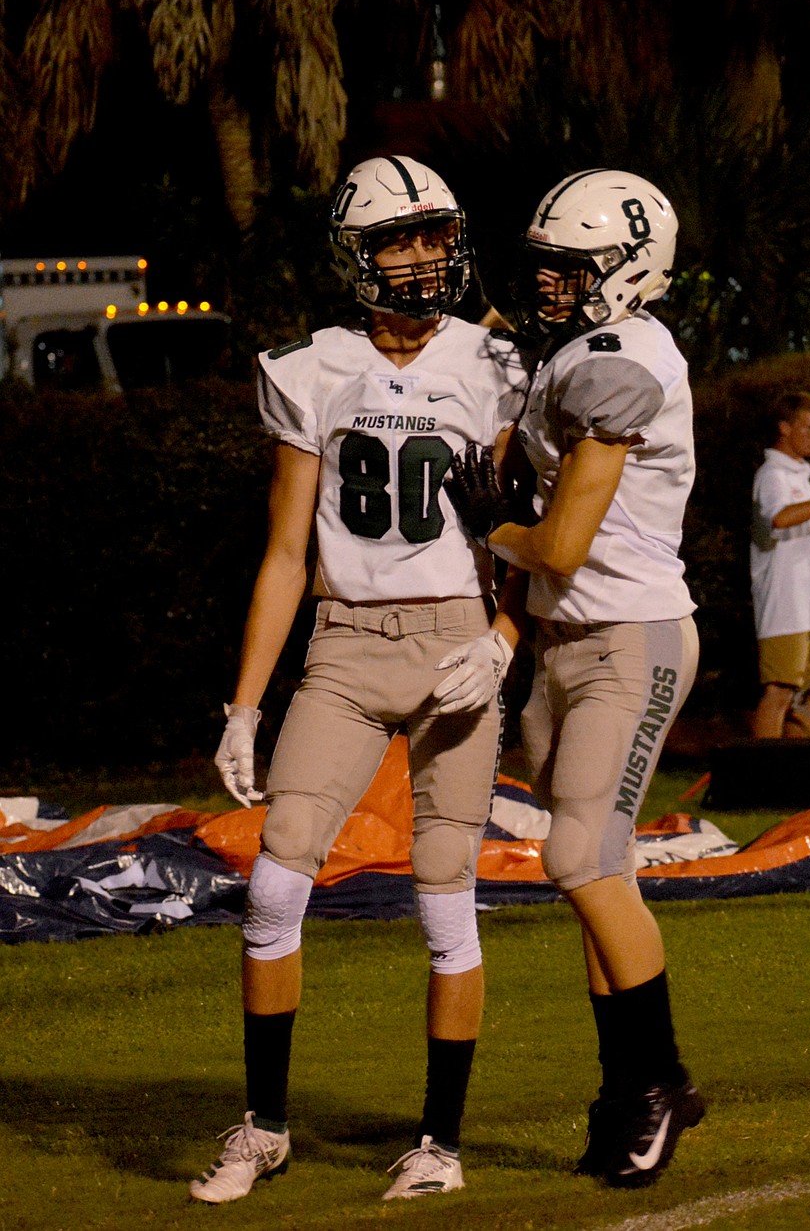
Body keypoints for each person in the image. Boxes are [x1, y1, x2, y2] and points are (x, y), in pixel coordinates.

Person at [190, 154, 528, 1205]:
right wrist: (246, 702)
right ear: (360, 254)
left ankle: (439, 1143)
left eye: (437, 235)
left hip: (456, 644)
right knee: (276, 877)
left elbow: (528, 538)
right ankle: (264, 1127)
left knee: (444, 900)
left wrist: (505, 640)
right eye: (403, 238)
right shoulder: (311, 366)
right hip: (342, 644)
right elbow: (286, 553)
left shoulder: (499, 363)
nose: (427, 256)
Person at [447, 169, 705, 1187]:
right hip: (568, 647)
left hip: (629, 640)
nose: (550, 284)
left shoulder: (625, 360)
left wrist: (487, 529)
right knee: (601, 872)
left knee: (577, 857)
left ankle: (661, 1081)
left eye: (570, 267)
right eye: (546, 265)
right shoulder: (578, 350)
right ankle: (623, 1083)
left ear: (627, 270)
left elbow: (555, 544)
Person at [750, 391, 810, 739]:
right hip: (785, 606)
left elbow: (793, 529)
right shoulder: (773, 474)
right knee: (780, 692)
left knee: (809, 695)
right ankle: (762, 783)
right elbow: (779, 518)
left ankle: (796, 784)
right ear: (784, 427)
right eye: (808, 427)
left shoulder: (799, 477)